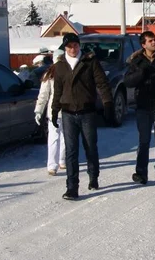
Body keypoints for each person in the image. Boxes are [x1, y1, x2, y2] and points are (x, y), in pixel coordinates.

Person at [51, 33, 114, 200]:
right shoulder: (60, 66)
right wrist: (53, 110)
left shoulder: (90, 62)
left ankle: (93, 176)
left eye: (75, 46)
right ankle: (72, 187)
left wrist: (107, 103)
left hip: (87, 112)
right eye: (69, 46)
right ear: (64, 48)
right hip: (68, 113)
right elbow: (57, 91)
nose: (73, 49)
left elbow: (102, 83)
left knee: (90, 146)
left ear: (79, 46)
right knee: (71, 151)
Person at [124, 31, 155, 185]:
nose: (154, 42)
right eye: (150, 41)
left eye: (154, 40)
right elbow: (128, 81)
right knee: (144, 140)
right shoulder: (137, 61)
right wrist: (141, 74)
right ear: (143, 44)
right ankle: (141, 173)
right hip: (143, 106)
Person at [34, 49, 66, 176]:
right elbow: (43, 95)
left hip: (66, 110)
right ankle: (56, 163)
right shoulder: (51, 74)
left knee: (59, 137)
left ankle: (59, 162)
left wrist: (39, 110)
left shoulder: (53, 72)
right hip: (57, 111)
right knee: (60, 137)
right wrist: (38, 110)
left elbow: (43, 95)